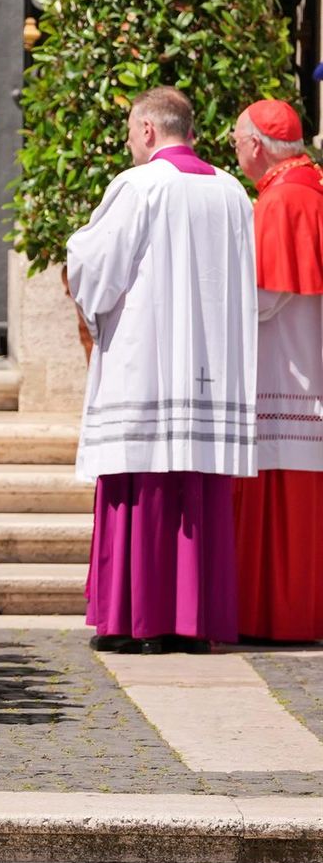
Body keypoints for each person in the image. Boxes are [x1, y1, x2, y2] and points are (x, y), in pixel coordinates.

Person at [66, 86, 256, 654]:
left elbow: (97, 271)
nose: (130, 142)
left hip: (146, 365)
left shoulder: (140, 185)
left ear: (148, 129)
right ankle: (193, 625)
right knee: (198, 491)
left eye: (131, 131)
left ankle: (136, 621)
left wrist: (78, 261)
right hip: (212, 370)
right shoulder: (233, 192)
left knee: (140, 488)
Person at [229, 99, 323, 642]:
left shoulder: (283, 200)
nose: (236, 150)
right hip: (307, 373)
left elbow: (263, 298)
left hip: (285, 377)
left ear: (256, 145)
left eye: (237, 140)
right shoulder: (311, 185)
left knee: (281, 511)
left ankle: (275, 617)